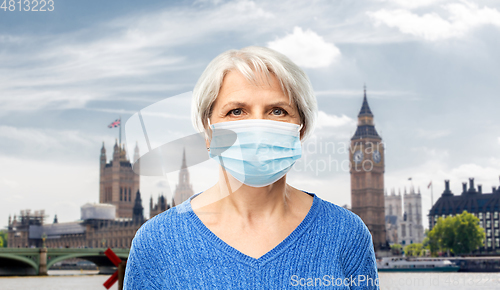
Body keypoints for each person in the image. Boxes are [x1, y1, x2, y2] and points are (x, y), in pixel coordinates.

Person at [124, 46, 379, 289]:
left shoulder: (347, 235)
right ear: (208, 132)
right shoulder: (157, 242)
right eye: (236, 112)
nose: (257, 126)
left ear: (301, 128)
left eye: (277, 111)